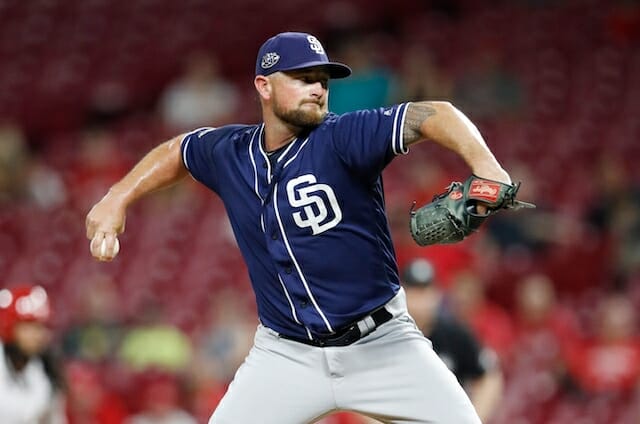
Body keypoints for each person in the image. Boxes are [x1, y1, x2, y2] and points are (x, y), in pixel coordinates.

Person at [86, 31, 513, 423]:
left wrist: (487, 166)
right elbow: (179, 151)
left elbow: (435, 114)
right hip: (286, 354)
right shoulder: (232, 152)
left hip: (382, 344)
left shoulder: (344, 137)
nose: (318, 88)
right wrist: (117, 197)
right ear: (264, 86)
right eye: (303, 78)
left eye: (322, 80)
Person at [402, 259, 504, 423]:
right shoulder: (389, 337)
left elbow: (489, 377)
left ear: (437, 294)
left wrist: (474, 419)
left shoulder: (455, 335)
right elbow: (365, 384)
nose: (421, 301)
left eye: (426, 291)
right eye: (414, 292)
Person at [0, 284, 67, 423]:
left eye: (40, 327)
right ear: (9, 326)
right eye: (29, 326)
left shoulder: (48, 370)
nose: (37, 335)